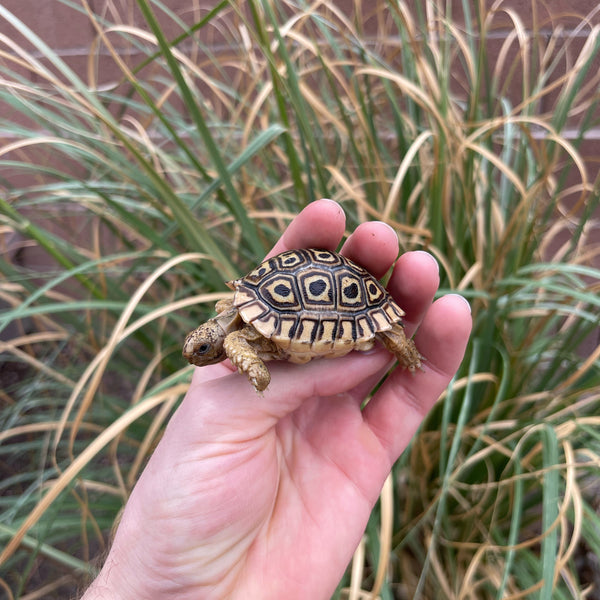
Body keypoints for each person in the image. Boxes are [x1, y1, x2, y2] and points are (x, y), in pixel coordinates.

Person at [82, 199, 472, 600]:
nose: (199, 358)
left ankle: (407, 351)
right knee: (377, 332)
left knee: (388, 335)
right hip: (310, 310)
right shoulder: (236, 323)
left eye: (202, 352)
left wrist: (251, 365)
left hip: (338, 301)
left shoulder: (235, 336)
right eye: (200, 351)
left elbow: (248, 353)